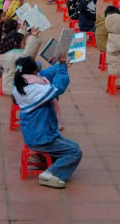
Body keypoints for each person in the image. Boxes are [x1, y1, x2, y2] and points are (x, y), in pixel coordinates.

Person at [12, 55, 81, 188]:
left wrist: (61, 66)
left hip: (39, 133)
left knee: (74, 147)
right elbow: (58, 88)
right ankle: (50, 174)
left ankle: (46, 161)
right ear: (34, 71)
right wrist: (62, 68)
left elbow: (45, 73)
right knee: (74, 152)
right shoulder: (34, 89)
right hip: (41, 138)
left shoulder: (22, 81)